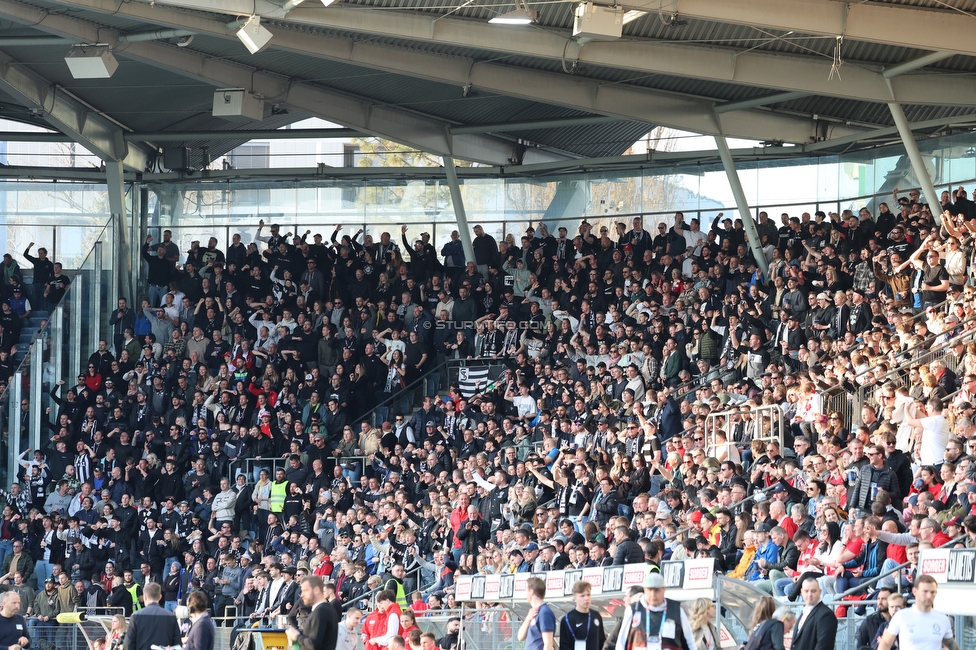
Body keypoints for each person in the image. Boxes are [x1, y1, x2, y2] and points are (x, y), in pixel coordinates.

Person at [614, 573, 696, 650]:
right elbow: (621, 642)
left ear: (664, 589)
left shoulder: (677, 610)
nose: (653, 595)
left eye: (657, 590)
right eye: (650, 590)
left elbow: (690, 642)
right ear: (645, 590)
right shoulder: (633, 609)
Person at [877, 575, 956, 650]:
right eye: (925, 591)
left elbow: (951, 646)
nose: (929, 596)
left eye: (932, 592)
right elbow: (886, 643)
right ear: (915, 591)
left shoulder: (943, 620)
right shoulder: (901, 616)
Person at [123, 582, 181, 650]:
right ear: (160, 597)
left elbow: (128, 644)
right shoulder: (171, 616)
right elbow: (177, 645)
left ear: (144, 597)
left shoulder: (136, 616)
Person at [286, 577, 339, 650]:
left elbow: (313, 644)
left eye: (305, 591)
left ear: (316, 590)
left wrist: (296, 636)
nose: (302, 595)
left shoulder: (321, 612)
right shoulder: (326, 609)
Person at [790, 577, 836, 650]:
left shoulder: (826, 615)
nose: (809, 594)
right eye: (806, 591)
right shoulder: (803, 613)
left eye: (813, 591)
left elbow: (824, 646)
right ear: (801, 592)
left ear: (820, 592)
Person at [558, 581, 605, 650]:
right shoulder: (568, 619)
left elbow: (601, 641)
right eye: (582, 596)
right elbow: (564, 645)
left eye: (588, 595)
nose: (586, 598)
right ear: (575, 598)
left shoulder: (596, 616)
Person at [518, 577, 554, 650]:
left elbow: (548, 644)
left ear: (531, 592)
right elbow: (520, 637)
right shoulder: (532, 613)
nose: (525, 593)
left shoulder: (545, 613)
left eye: (526, 590)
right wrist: (528, 618)